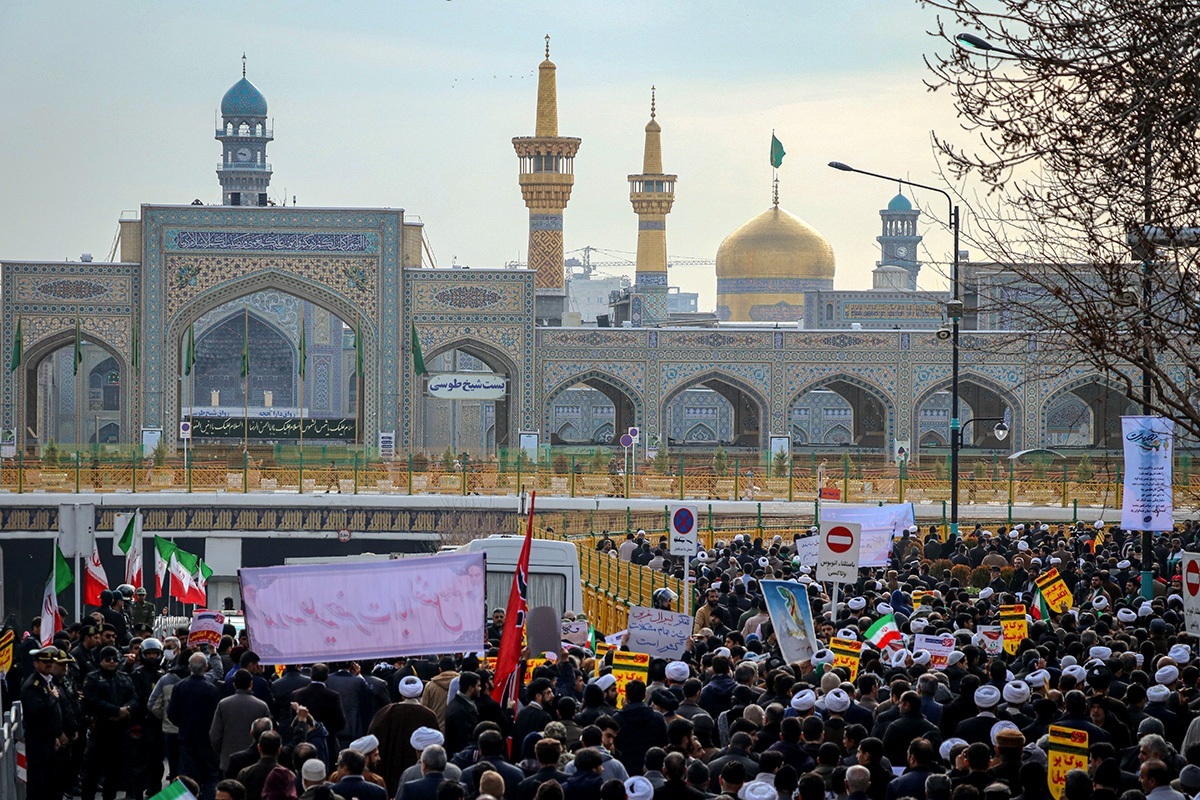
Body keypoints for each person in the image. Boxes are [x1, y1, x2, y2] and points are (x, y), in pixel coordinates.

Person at [80, 645, 136, 800]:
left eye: (114, 659)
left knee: (115, 772)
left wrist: (126, 709)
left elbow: (134, 698)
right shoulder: (93, 678)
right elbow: (92, 700)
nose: (112, 662)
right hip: (100, 729)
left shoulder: (124, 677)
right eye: (108, 659)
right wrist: (115, 710)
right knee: (92, 771)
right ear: (101, 661)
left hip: (119, 731)